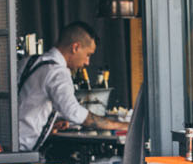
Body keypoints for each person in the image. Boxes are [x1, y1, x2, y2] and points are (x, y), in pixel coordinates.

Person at [16, 22, 129, 152]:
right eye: (88, 55)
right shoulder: (57, 72)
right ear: (75, 47)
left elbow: (26, 104)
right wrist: (120, 125)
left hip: (6, 145)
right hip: (21, 152)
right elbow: (73, 112)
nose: (87, 62)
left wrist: (51, 123)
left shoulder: (28, 62)